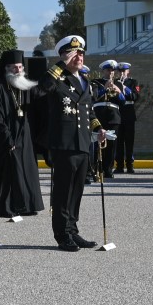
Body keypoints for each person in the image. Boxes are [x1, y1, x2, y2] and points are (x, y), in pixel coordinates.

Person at [34, 35, 95, 251]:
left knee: (77, 190)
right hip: (63, 143)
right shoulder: (56, 79)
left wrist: (99, 130)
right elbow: (40, 89)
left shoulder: (84, 81)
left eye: (81, 53)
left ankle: (73, 230)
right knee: (63, 191)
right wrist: (61, 64)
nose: (79, 56)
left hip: (82, 143)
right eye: (73, 53)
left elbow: (90, 111)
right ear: (63, 55)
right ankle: (61, 234)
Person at [0, 49, 43, 216]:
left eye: (20, 67)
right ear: (6, 69)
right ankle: (4, 207)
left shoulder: (24, 86)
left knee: (25, 170)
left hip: (24, 136)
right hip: (5, 139)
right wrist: (7, 139)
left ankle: (26, 205)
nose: (17, 70)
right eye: (14, 67)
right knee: (8, 173)